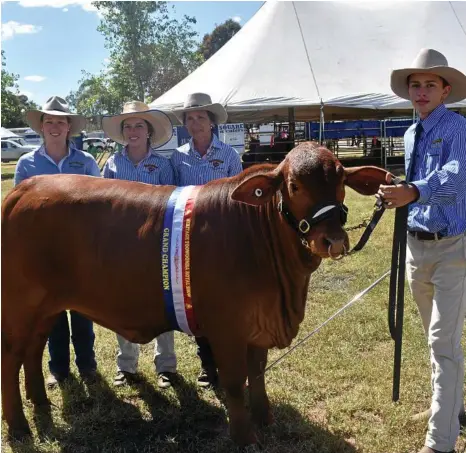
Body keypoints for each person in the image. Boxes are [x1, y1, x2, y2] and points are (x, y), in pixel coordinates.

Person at [378, 48, 466, 453]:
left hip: (452, 250)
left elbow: (454, 178)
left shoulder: (458, 129)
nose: (422, 91)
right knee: (436, 339)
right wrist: (397, 190)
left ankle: (440, 441)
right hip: (417, 246)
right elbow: (415, 181)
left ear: (446, 90)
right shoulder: (411, 132)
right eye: (416, 85)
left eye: (431, 84)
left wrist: (413, 191)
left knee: (441, 343)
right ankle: (448, 406)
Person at [14, 96, 101, 387]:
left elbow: (100, 205)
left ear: (69, 127)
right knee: (50, 312)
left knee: (83, 309)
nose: (54, 126)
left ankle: (87, 365)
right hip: (44, 252)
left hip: (80, 250)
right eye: (49, 121)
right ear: (41, 126)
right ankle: (59, 369)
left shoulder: (86, 161)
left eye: (60, 121)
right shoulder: (27, 164)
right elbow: (20, 210)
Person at [101, 101, 178, 389]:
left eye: (139, 126)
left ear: (149, 132)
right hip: (120, 247)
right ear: (123, 133)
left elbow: (172, 204)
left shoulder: (163, 165)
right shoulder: (112, 164)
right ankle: (127, 365)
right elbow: (103, 207)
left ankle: (166, 366)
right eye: (128, 127)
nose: (133, 131)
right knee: (122, 303)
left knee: (161, 303)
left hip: (155, 246)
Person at [170, 92, 243, 387]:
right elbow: (172, 197)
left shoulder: (229, 156)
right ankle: (207, 364)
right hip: (188, 241)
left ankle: (228, 361)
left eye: (201, 117)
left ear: (211, 122)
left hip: (222, 239)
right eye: (190, 118)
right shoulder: (177, 157)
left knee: (224, 301)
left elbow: (240, 201)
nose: (195, 122)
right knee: (195, 301)